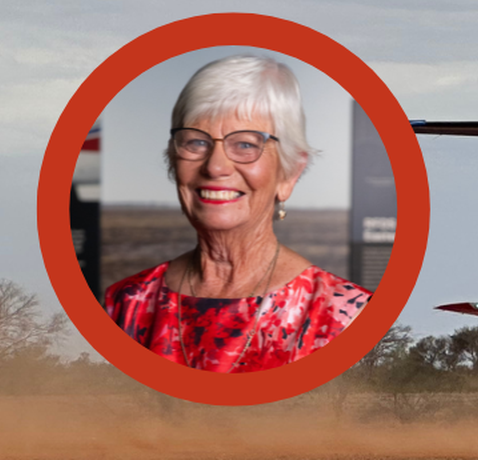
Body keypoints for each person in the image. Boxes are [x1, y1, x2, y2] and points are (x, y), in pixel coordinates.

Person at [104, 55, 370, 373]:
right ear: (174, 160)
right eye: (196, 142)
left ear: (289, 174)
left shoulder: (348, 314)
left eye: (245, 144)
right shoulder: (125, 303)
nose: (216, 167)